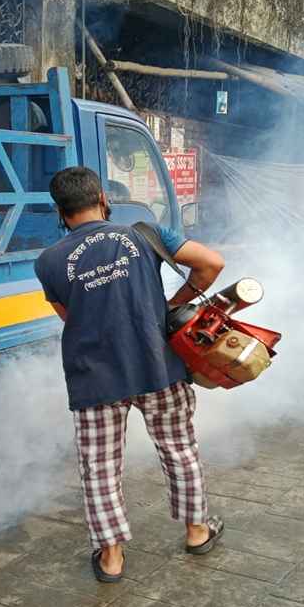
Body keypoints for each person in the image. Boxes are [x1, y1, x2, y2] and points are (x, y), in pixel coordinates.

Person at [34, 166, 227, 583]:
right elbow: (212, 263)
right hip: (158, 365)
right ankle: (196, 531)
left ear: (59, 212)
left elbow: (71, 318)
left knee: (99, 466)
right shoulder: (144, 233)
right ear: (103, 199)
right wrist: (171, 304)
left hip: (95, 376)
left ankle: (111, 559)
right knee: (179, 448)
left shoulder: (48, 262)